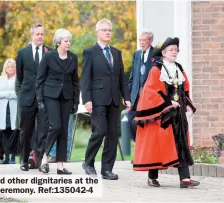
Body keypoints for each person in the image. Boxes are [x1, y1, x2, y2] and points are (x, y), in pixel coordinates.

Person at [132, 37, 200, 188]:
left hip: (179, 114)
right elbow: (151, 91)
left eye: (176, 50)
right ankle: (152, 176)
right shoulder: (157, 69)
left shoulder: (179, 68)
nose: (174, 52)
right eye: (171, 50)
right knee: (159, 144)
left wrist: (187, 104)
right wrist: (168, 103)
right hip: (164, 114)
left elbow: (184, 90)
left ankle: (185, 179)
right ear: (163, 53)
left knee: (181, 143)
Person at [80, 19, 131, 180]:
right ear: (97, 32)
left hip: (114, 99)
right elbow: (85, 78)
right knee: (99, 131)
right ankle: (88, 162)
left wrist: (127, 97)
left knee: (113, 135)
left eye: (109, 30)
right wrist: (87, 99)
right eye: (104, 30)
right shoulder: (90, 52)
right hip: (97, 99)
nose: (107, 32)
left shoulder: (116, 52)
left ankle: (107, 169)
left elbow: (122, 78)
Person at [36, 28, 79, 174]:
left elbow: (75, 82)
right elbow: (40, 80)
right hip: (50, 96)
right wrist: (40, 100)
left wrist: (75, 101)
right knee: (56, 127)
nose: (68, 44)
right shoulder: (48, 57)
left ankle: (60, 166)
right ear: (58, 42)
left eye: (69, 41)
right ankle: (44, 157)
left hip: (67, 97)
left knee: (64, 130)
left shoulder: (73, 57)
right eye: (66, 41)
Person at [15, 23, 51, 171]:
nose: (40, 37)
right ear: (32, 35)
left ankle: (42, 162)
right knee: (26, 130)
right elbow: (20, 75)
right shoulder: (22, 53)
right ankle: (24, 160)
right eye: (37, 34)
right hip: (27, 97)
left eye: (42, 34)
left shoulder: (50, 52)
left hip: (45, 98)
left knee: (43, 130)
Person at [127, 30, 155, 141]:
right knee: (131, 122)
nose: (141, 43)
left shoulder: (156, 54)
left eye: (144, 40)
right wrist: (128, 97)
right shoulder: (136, 54)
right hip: (135, 98)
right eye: (140, 40)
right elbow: (132, 77)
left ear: (150, 41)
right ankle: (138, 146)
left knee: (147, 125)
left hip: (149, 98)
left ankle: (144, 155)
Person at [0, 59, 17, 164]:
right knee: (4, 134)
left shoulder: (18, 79)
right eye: (8, 67)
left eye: (12, 66)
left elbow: (19, 93)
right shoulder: (0, 79)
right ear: (5, 68)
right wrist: (9, 94)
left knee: (14, 133)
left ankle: (13, 157)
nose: (10, 68)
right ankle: (6, 157)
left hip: (14, 109)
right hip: (2, 110)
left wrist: (6, 94)